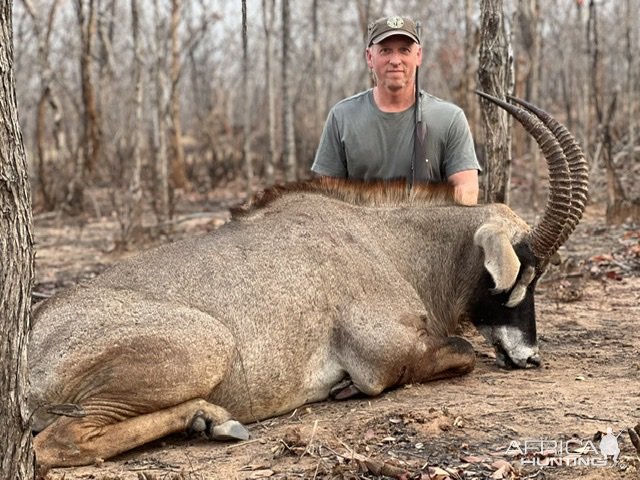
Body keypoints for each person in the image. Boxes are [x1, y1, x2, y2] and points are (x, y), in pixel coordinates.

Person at [311, 15, 481, 205]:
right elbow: (324, 199)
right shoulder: (342, 117)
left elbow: (468, 192)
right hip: (358, 231)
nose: (395, 60)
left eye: (404, 50)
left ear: (418, 56)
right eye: (385, 51)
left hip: (427, 230)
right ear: (369, 57)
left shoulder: (450, 118)